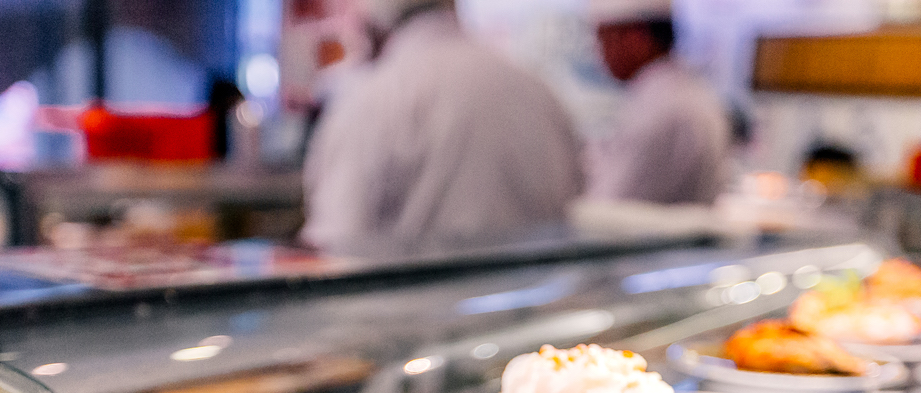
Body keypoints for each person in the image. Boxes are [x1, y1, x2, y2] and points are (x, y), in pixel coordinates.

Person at [301, 0, 582, 254]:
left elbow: (336, 245)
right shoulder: (537, 91)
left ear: (374, 25)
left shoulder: (373, 98)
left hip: (411, 309)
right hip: (531, 305)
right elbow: (573, 201)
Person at [587, 0, 729, 205]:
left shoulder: (663, 107)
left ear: (637, 37)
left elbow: (610, 205)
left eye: (604, 39)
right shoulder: (680, 93)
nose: (599, 54)